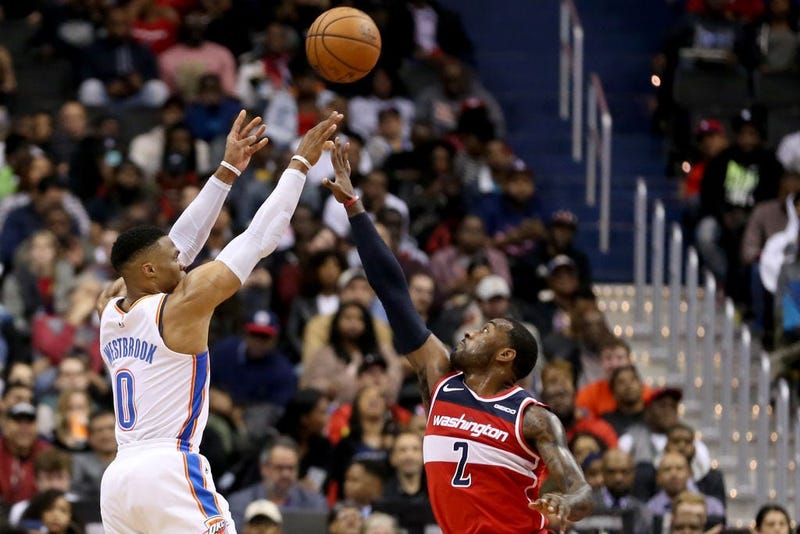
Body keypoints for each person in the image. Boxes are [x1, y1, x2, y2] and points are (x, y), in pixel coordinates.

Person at [322, 138, 593, 533]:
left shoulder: (531, 417)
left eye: (486, 331)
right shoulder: (440, 379)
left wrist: (568, 502)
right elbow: (393, 291)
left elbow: (583, 491)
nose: (469, 334)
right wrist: (354, 208)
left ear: (505, 356)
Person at [95, 109, 343, 533]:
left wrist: (228, 170)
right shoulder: (182, 304)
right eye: (173, 261)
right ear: (150, 273)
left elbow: (175, 248)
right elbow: (259, 239)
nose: (183, 261)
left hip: (117, 481)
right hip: (168, 468)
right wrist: (299, 165)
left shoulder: (109, 307)